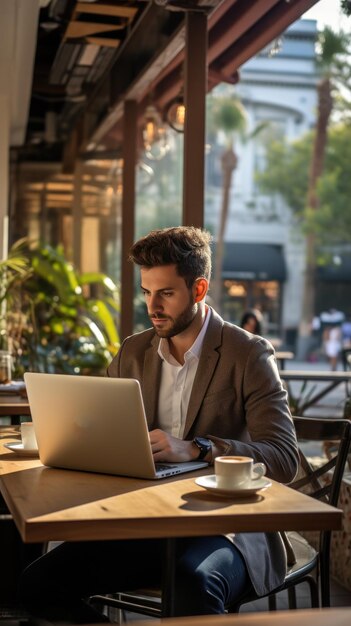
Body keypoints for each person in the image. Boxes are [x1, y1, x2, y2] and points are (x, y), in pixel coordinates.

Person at [19, 226, 299, 622]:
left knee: (191, 584)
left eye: (166, 293)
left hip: (227, 528)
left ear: (199, 290)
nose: (153, 306)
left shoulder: (248, 355)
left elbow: (285, 459)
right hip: (147, 520)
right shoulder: (133, 352)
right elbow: (106, 435)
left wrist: (199, 447)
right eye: (147, 292)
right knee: (38, 584)